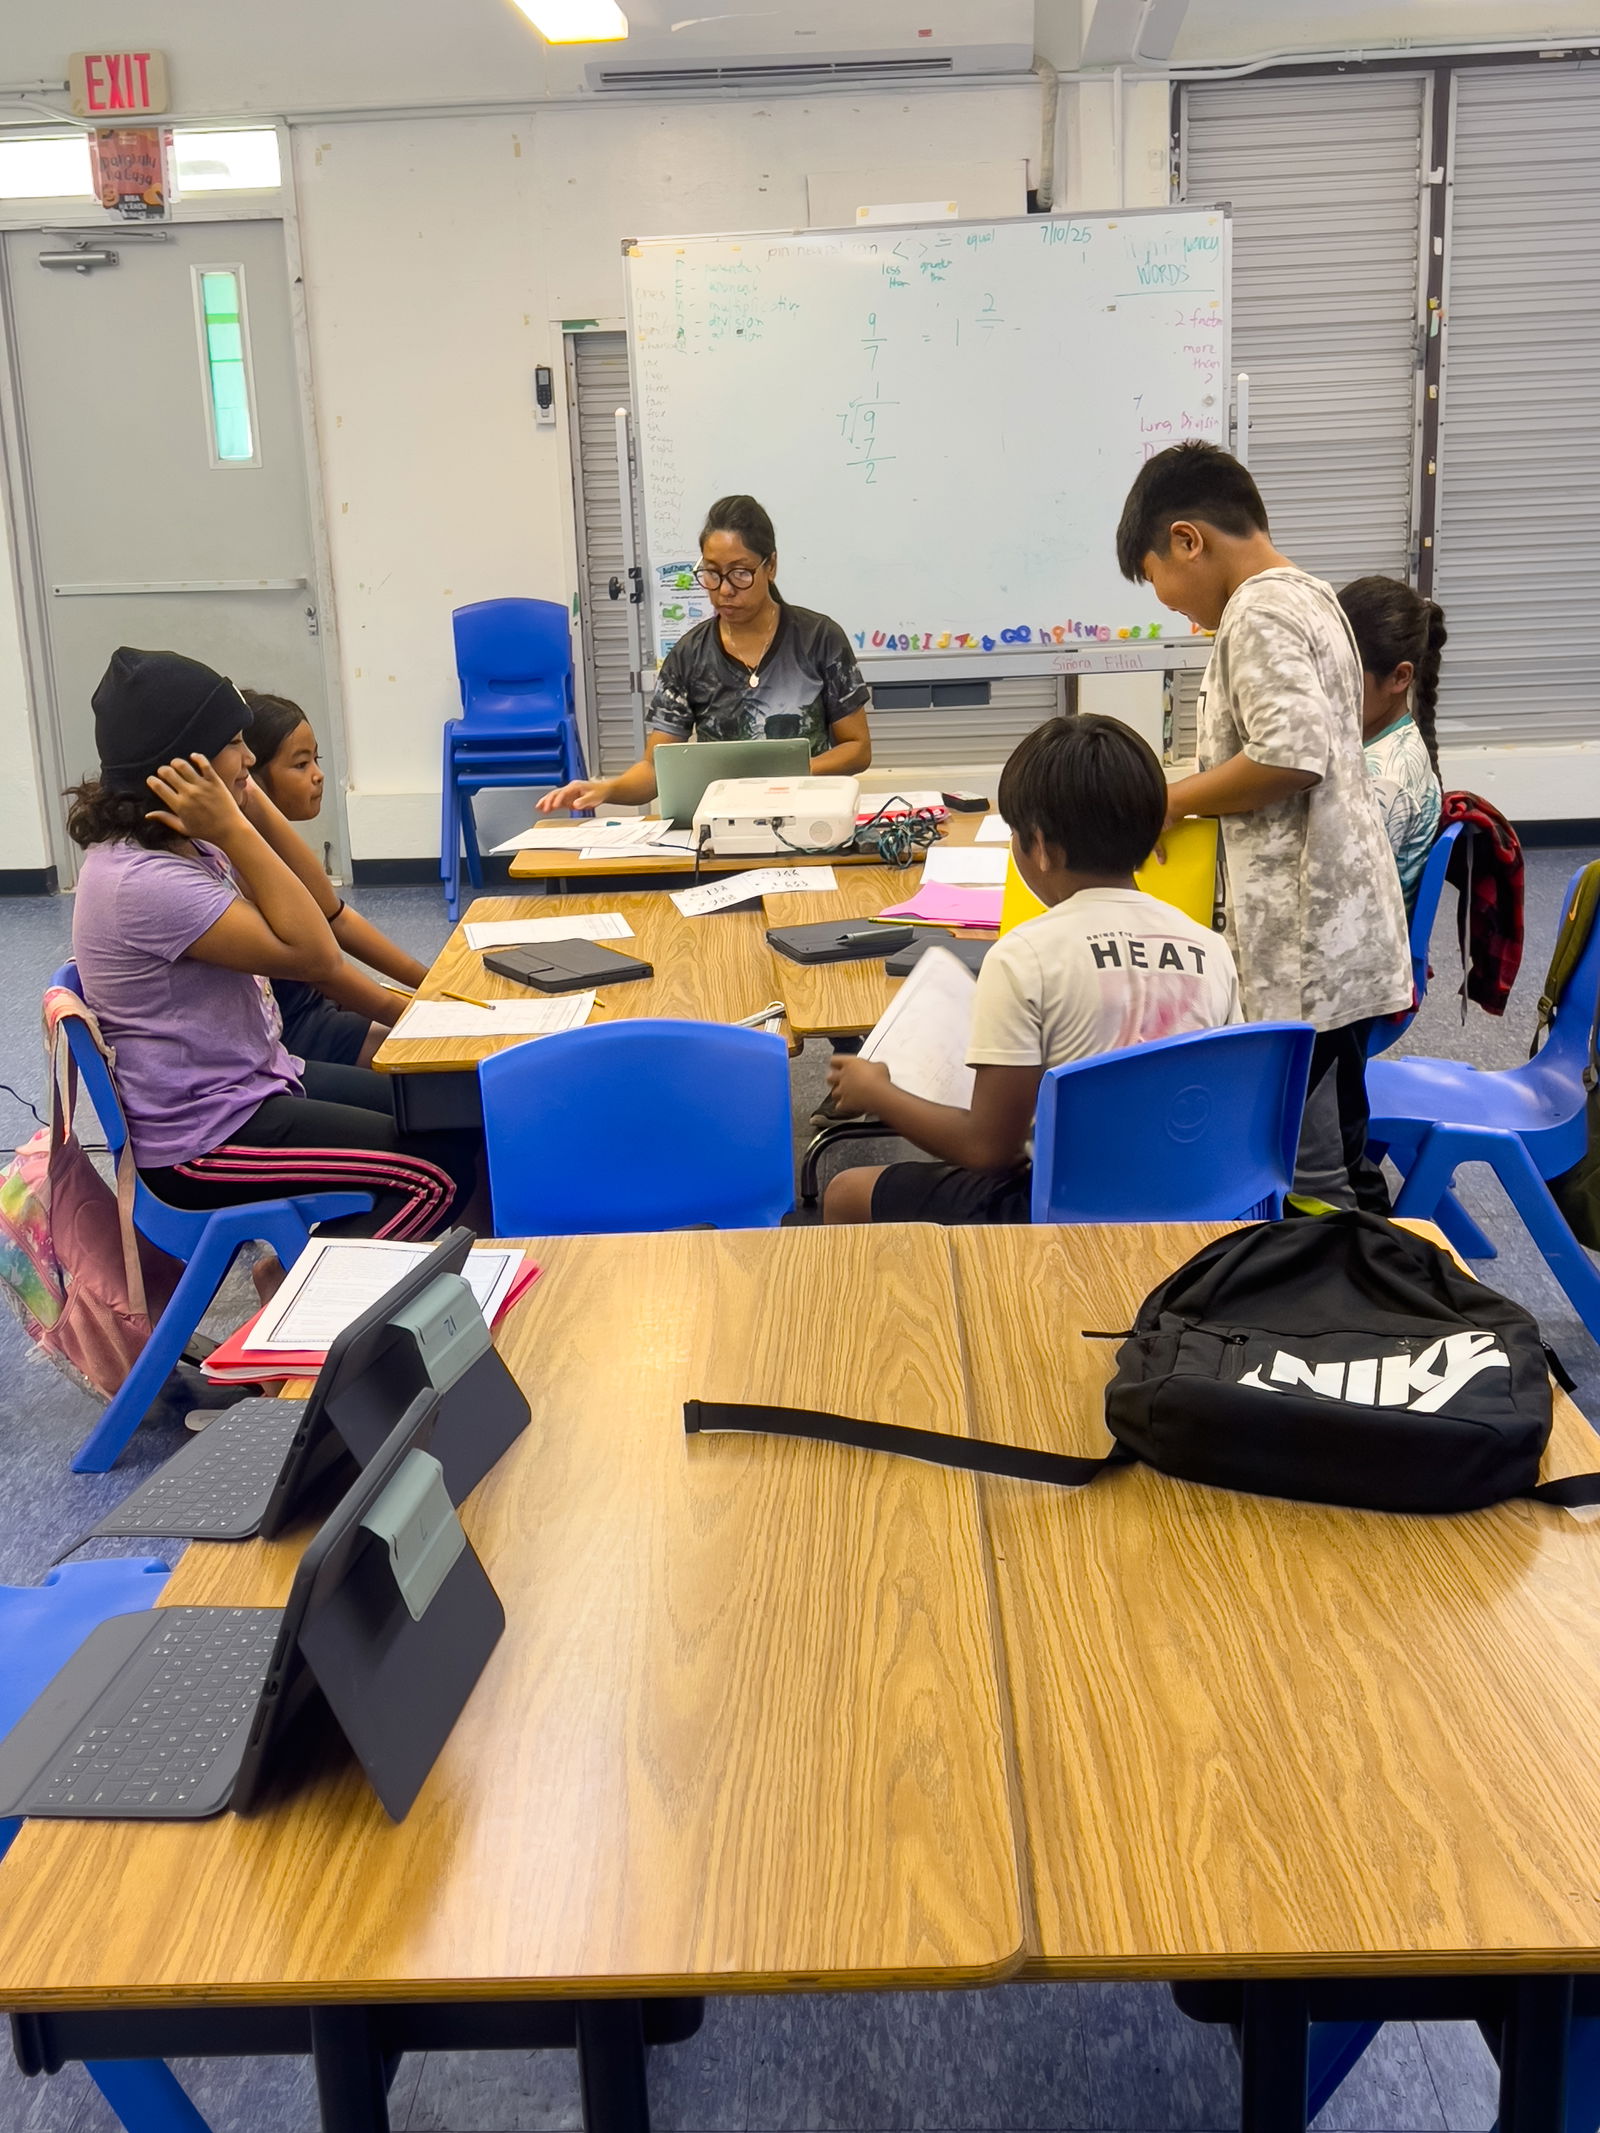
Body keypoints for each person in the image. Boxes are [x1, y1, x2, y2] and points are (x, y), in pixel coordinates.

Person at [69, 647, 477, 1248]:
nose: (251, 757)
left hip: (260, 1084)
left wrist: (242, 800)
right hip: (206, 1142)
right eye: (235, 743)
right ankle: (299, 1303)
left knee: (454, 1110)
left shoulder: (178, 846)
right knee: (439, 1176)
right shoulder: (148, 882)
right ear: (188, 767)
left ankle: (310, 1273)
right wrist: (233, 823)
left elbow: (319, 904)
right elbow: (317, 956)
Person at [1116, 442, 1411, 1212]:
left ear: (1189, 539)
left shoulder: (1256, 612)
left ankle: (1346, 1301)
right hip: (1336, 930)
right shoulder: (1308, 594)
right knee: (1332, 1137)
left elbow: (1291, 757)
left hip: (1312, 945)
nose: (1172, 606)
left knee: (1316, 1171)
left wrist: (1172, 799)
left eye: (1163, 584)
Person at [822, 715, 1241, 1225]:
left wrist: (876, 1092)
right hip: (1198, 1202)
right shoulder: (1210, 948)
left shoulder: (1025, 957)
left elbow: (987, 1150)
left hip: (1066, 1209)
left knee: (846, 1191)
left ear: (1039, 846)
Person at [538, 494, 871, 813]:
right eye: (711, 573)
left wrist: (784, 777)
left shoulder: (819, 637)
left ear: (771, 566)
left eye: (740, 573)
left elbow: (857, 749)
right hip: (721, 822)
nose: (724, 590)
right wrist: (606, 789)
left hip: (810, 815)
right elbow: (657, 769)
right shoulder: (689, 655)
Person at [241, 689, 428, 1068]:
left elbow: (335, 915)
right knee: (435, 1073)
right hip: (296, 1031)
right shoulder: (245, 862)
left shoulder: (274, 844)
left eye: (316, 759)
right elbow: (326, 970)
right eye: (300, 765)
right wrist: (423, 1015)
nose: (318, 775)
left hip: (318, 1007)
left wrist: (431, 983)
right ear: (252, 779)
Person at [1337, 577, 1445, 914]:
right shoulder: (1392, 740)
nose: (1326, 688)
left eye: (1344, 675)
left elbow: (1341, 901)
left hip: (1358, 952)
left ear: (1400, 677)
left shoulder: (1383, 780)